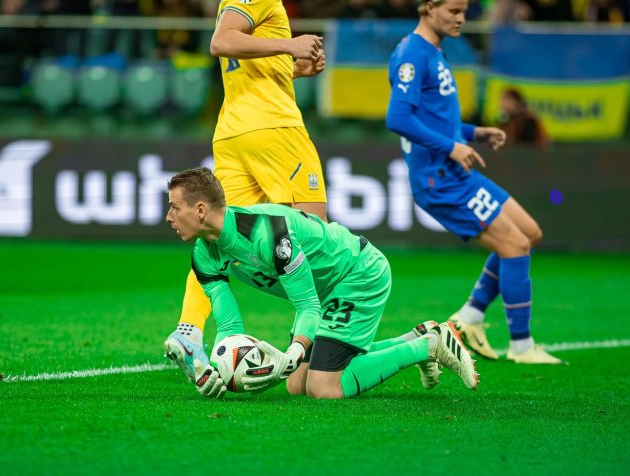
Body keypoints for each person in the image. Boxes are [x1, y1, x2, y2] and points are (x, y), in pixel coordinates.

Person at [166, 167, 478, 399]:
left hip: (357, 273)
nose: (169, 216)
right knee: (295, 384)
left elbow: (307, 306)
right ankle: (418, 335)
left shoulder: (268, 233)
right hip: (325, 289)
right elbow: (230, 326)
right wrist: (217, 369)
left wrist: (292, 352)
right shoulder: (203, 254)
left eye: (175, 207)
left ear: (202, 210)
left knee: (323, 386)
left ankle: (427, 346)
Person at [385, 0, 564, 364]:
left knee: (529, 233)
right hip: (439, 179)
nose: (462, 19)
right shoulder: (411, 54)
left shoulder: (435, 51)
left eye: (464, 11)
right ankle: (521, 345)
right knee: (514, 246)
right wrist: (451, 146)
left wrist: (473, 133)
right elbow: (398, 117)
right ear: (427, 8)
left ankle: (469, 318)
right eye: (453, 11)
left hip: (455, 171)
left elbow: (435, 119)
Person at [163, 0, 329, 382]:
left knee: (217, 236)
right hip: (273, 129)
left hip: (235, 131)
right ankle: (315, 352)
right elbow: (222, 42)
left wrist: (293, 69)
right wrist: (291, 46)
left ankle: (189, 330)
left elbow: (244, 61)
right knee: (317, 237)